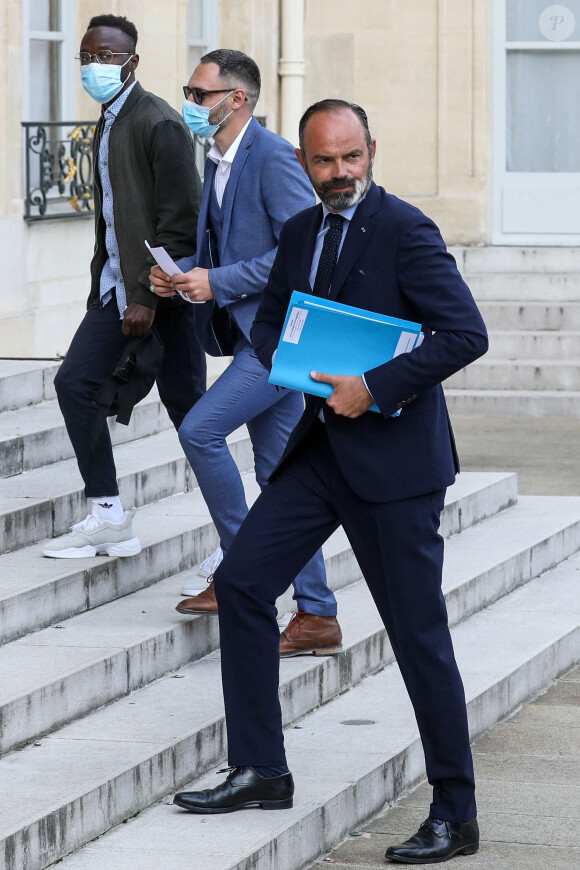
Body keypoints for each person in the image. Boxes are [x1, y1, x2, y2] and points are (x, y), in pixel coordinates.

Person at [172, 100, 489, 866]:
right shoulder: (303, 232)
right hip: (319, 453)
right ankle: (260, 769)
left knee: (418, 636)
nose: (340, 173)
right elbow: (273, 317)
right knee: (244, 585)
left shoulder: (407, 228)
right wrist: (295, 362)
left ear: (371, 151)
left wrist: (374, 385)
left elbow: (465, 334)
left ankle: (456, 811)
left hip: (397, 466)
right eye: (325, 161)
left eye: (351, 158)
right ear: (305, 163)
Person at [150, 50, 341, 655]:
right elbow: (224, 246)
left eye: (198, 93)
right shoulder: (219, 158)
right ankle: (317, 615)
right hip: (250, 336)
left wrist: (219, 281)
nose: (189, 102)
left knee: (201, 430)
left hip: (278, 340)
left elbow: (302, 251)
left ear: (237, 100)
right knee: (279, 475)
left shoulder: (274, 157)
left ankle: (242, 572)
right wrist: (182, 273)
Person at [43, 14, 206, 559]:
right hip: (116, 289)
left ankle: (238, 538)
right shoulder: (108, 120)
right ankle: (109, 514)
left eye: (107, 56)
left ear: (132, 61)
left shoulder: (158, 122)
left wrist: (145, 297)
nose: (95, 65)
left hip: (162, 296)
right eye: (87, 56)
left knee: (191, 415)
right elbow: (114, 217)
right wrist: (110, 289)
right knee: (75, 384)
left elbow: (180, 220)